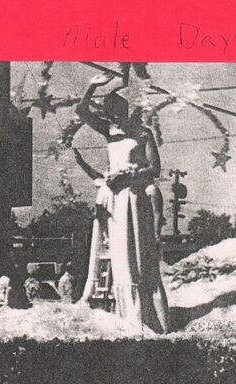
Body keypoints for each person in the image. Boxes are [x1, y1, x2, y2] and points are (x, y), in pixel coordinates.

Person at [75, 73, 170, 333]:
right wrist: (91, 86)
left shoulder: (143, 134)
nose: (113, 117)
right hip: (115, 200)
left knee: (137, 255)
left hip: (134, 198)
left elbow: (154, 169)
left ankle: (149, 319)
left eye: (116, 111)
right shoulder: (110, 131)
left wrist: (129, 175)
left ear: (125, 110)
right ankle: (127, 316)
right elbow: (81, 111)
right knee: (121, 258)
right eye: (109, 113)